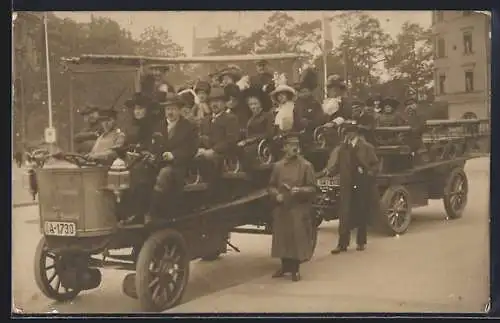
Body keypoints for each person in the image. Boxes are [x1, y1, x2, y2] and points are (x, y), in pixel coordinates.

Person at [319, 123, 380, 254]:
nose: (347, 136)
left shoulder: (366, 147)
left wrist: (368, 174)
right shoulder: (343, 149)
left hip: (361, 183)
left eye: (349, 133)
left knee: (361, 211)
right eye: (345, 133)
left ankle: (361, 242)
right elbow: (337, 166)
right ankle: (342, 244)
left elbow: (375, 165)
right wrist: (327, 173)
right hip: (346, 183)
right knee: (344, 213)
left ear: (355, 133)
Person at [268, 132, 317, 282]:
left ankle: (295, 269)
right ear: (285, 148)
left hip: (298, 207)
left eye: (296, 146)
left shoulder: (306, 166)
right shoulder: (278, 166)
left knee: (296, 238)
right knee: (282, 237)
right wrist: (276, 195)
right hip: (282, 206)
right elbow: (271, 186)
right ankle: (284, 266)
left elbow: (313, 188)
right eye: (291, 146)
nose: (294, 149)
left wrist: (300, 190)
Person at [145, 93, 199, 223]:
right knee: (139, 171)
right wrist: (152, 155)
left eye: (174, 109)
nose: (170, 112)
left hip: (180, 166)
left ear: (180, 110)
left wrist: (174, 155)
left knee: (165, 174)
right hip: (158, 163)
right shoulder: (159, 126)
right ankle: (137, 211)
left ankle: (153, 213)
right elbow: (153, 145)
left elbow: (191, 149)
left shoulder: (189, 127)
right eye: (168, 109)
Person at [198, 87, 240, 185]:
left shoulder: (230, 118)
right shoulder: (205, 120)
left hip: (224, 153)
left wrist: (213, 150)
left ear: (225, 103)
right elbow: (201, 137)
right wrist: (199, 148)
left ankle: (214, 193)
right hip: (206, 152)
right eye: (212, 102)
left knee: (210, 161)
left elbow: (231, 140)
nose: (214, 104)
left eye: (217, 101)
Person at [293, 68, 326, 133]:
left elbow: (319, 121)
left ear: (310, 92)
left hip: (311, 134)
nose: (302, 94)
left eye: (305, 91)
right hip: (296, 134)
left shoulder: (315, 104)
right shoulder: (296, 103)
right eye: (300, 92)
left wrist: (309, 123)